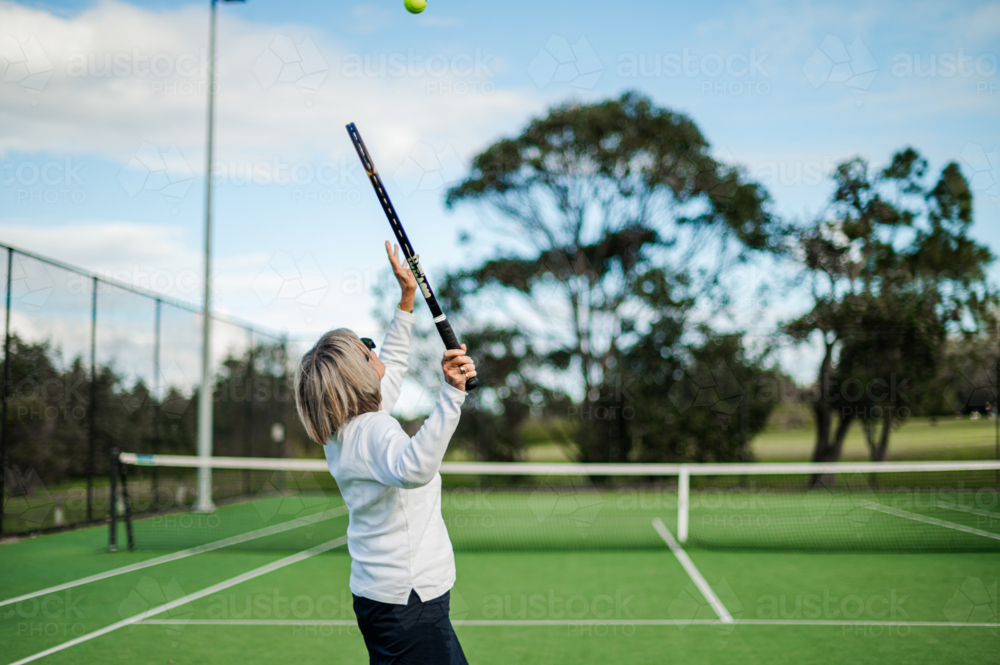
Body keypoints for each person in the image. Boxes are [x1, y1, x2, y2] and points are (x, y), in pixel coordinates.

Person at [293, 241, 475, 665]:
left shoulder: (346, 432)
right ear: (359, 372)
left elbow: (390, 368)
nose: (375, 351)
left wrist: (406, 300)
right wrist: (451, 394)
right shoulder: (374, 432)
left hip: (385, 599)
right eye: (366, 348)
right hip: (410, 601)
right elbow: (416, 467)